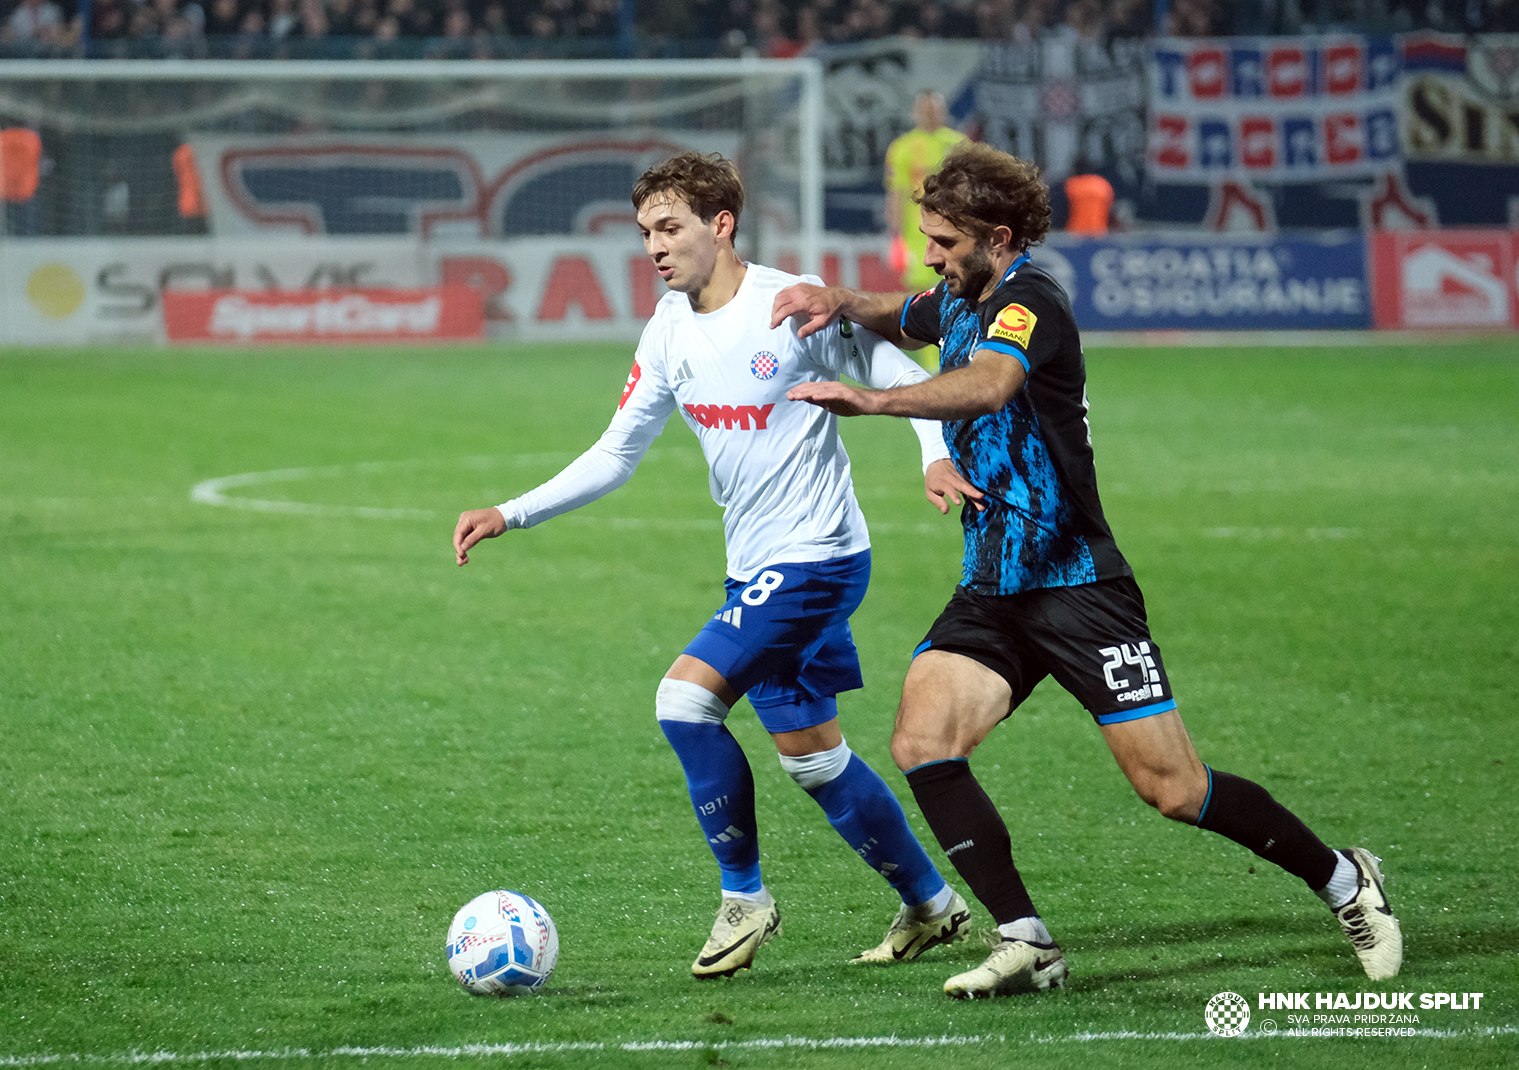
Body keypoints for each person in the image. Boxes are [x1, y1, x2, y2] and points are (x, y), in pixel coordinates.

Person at [771, 141, 1403, 998]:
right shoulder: (963, 292)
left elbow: (991, 385)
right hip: (995, 583)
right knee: (924, 740)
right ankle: (1027, 941)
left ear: (997, 236)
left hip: (1078, 585)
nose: (932, 256)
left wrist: (876, 402)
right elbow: (902, 312)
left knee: (1173, 789)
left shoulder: (1030, 303)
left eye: (946, 242)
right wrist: (841, 299)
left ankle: (1343, 879)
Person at [455, 152, 980, 979]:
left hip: (817, 561)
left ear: (721, 224)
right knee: (814, 759)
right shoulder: (668, 329)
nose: (654, 247)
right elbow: (617, 451)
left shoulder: (790, 305)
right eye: (645, 233)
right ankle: (932, 905)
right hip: (759, 571)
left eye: (670, 228)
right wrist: (510, 511)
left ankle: (746, 899)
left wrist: (930, 456)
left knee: (683, 700)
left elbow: (898, 373)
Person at [885, 91, 966, 294]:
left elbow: (969, 192)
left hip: (953, 228)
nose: (930, 115)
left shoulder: (959, 145)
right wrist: (895, 236)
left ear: (944, 112)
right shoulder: (902, 148)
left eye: (935, 110)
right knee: (918, 292)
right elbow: (897, 193)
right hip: (917, 233)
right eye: (925, 110)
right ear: (915, 112)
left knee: (956, 285)